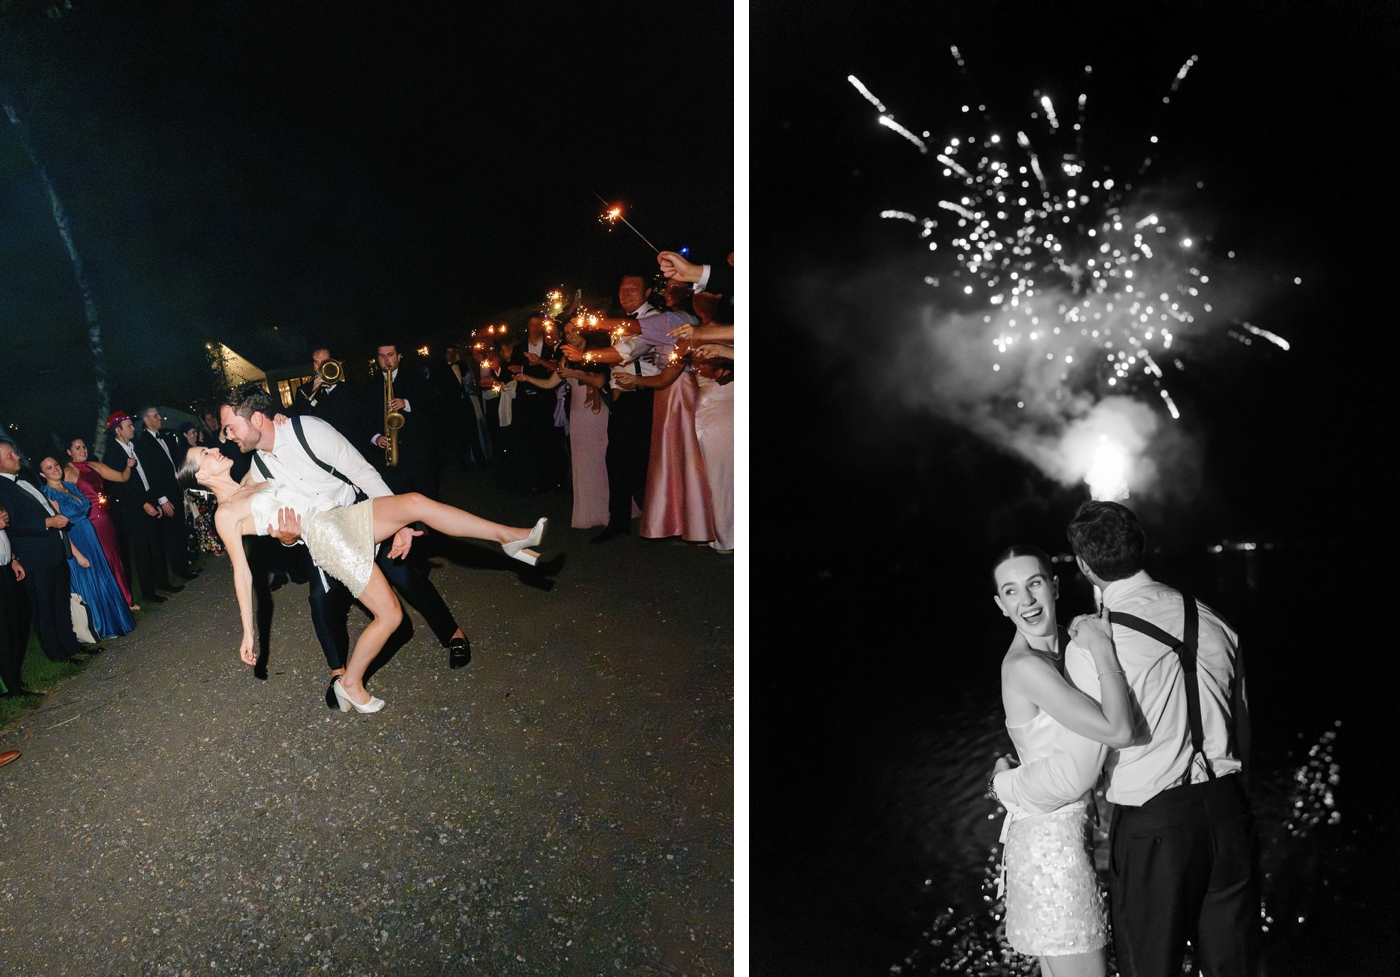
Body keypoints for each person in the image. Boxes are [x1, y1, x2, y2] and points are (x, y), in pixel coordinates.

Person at [992, 503, 1258, 977]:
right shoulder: (1216, 622)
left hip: (1154, 828)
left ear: (1082, 568)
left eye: (1033, 583)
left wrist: (1003, 785)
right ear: (1143, 548)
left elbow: (1077, 770)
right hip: (1229, 813)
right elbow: (1242, 728)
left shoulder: (1095, 644)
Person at [178, 445, 544, 712]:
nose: (215, 449)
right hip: (327, 537)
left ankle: (510, 537)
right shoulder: (226, 514)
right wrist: (248, 631)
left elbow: (268, 443)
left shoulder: (251, 481)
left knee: (415, 502)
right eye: (205, 454)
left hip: (341, 515)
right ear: (201, 476)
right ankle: (350, 682)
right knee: (391, 616)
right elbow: (241, 570)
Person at [220, 391, 478, 700]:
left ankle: (453, 634)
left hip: (361, 513)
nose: (226, 435)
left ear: (256, 418)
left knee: (406, 576)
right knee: (319, 597)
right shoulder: (259, 469)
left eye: (230, 426)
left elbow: (362, 472)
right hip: (326, 536)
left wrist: (400, 522)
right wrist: (287, 539)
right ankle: (338, 675)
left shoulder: (305, 429)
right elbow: (251, 506)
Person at [989, 545, 1134, 974]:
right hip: (1052, 852)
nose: (1026, 600)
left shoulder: (1058, 655)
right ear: (1001, 605)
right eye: (1011, 592)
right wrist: (1103, 649)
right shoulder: (1024, 667)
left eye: (1034, 584)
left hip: (1051, 840)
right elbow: (1117, 731)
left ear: (1053, 586)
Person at [0, 440, 83, 662]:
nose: (17, 457)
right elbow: (11, 525)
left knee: (60, 603)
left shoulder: (23, 480)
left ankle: (71, 645)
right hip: (35, 558)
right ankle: (56, 654)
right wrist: (48, 522)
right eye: (10, 455)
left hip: (53, 550)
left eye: (14, 453)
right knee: (44, 608)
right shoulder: (1, 488)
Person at [38, 457, 135, 640]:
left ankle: (114, 622)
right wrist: (77, 555)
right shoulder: (50, 493)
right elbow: (60, 529)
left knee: (102, 579)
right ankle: (99, 627)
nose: (55, 469)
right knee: (90, 582)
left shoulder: (69, 487)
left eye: (56, 465)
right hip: (77, 542)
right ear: (43, 474)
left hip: (90, 538)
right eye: (48, 468)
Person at [103, 412, 183, 605]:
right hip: (132, 509)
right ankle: (148, 592)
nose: (133, 428)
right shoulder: (113, 454)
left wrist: (154, 499)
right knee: (142, 551)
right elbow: (119, 487)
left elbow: (146, 476)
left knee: (155, 544)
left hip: (147, 499)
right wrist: (143, 504)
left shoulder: (133, 446)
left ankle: (162, 582)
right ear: (118, 430)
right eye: (129, 426)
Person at [63, 435, 140, 610]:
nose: (83, 450)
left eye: (84, 446)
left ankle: (126, 601)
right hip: (90, 523)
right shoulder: (68, 472)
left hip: (105, 519)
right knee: (102, 561)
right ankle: (112, 605)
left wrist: (128, 467)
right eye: (78, 448)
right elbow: (65, 501)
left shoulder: (94, 465)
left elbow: (122, 477)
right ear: (69, 452)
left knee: (115, 558)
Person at [135, 406, 198, 582]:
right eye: (155, 416)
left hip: (174, 489)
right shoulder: (144, 443)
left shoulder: (164, 438)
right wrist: (162, 499)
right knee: (174, 533)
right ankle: (180, 569)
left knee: (180, 529)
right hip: (165, 496)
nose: (160, 418)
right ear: (146, 419)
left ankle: (184, 565)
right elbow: (151, 473)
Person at [370, 344, 440, 499]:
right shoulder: (369, 385)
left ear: (399, 357)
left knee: (429, 499)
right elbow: (364, 417)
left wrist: (407, 403)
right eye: (381, 356)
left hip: (417, 452)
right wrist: (375, 437)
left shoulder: (416, 377)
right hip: (389, 457)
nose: (386, 359)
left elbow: (433, 405)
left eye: (390, 354)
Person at [505, 316, 566, 493]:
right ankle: (529, 481)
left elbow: (553, 370)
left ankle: (553, 481)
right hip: (525, 400)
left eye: (538, 324)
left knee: (549, 439)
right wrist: (535, 367)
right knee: (527, 441)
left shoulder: (550, 347)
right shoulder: (519, 348)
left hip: (547, 398)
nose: (535, 327)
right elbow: (511, 369)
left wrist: (526, 368)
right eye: (531, 324)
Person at [0, 504, 33, 697]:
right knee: (4, 630)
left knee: (15, 624)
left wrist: (13, 559)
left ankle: (14, 678)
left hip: (5, 570)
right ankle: (10, 687)